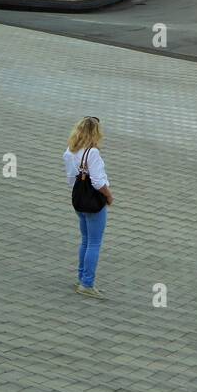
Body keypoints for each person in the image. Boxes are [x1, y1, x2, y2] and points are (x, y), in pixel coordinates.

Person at [63, 117, 114, 298]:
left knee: (85, 240)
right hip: (94, 203)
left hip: (79, 201)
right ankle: (87, 283)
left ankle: (81, 277)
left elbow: (70, 179)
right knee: (94, 243)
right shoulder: (92, 153)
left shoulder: (70, 151)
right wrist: (108, 195)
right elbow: (98, 181)